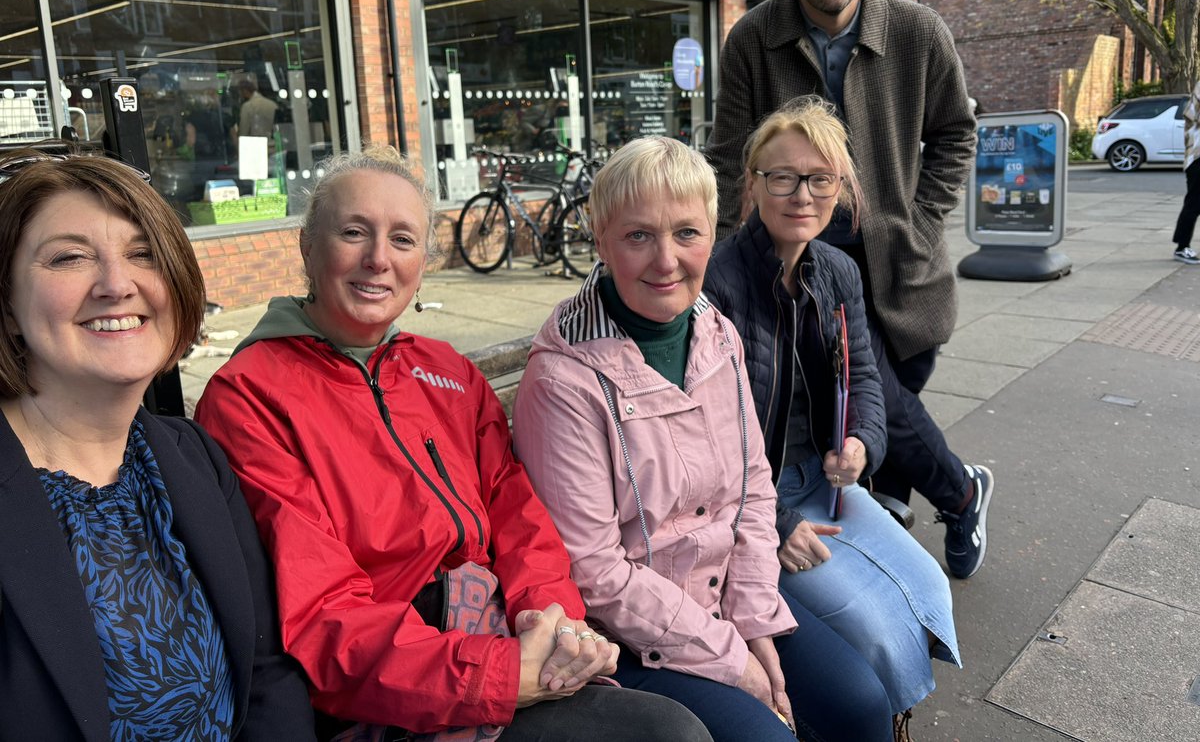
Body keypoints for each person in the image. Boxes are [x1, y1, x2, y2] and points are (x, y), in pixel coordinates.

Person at [194, 148, 710, 742]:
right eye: (354, 232)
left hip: (500, 637)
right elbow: (323, 613)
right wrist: (502, 674)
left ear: (424, 262)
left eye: (404, 239)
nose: (378, 259)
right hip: (394, 691)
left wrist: (555, 622)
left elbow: (518, 516)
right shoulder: (252, 394)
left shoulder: (445, 372)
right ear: (309, 247)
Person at [512, 137, 893, 742]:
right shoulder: (564, 379)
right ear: (601, 239)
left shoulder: (714, 332)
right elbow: (595, 571)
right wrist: (730, 657)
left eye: (687, 233)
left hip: (729, 596)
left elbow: (750, 491)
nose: (667, 260)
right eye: (639, 236)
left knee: (862, 703)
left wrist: (755, 622)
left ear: (712, 236)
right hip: (631, 639)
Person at [705, 0, 994, 579]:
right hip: (796, 266)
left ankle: (942, 501)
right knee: (863, 413)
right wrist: (718, 250)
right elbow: (727, 153)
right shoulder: (751, 39)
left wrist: (917, 220)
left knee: (876, 407)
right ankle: (954, 498)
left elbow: (956, 132)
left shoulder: (917, 31)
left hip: (899, 274)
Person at [0, 147, 314, 740]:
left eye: (143, 254)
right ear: (8, 306)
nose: (118, 285)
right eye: (69, 257)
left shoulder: (191, 454)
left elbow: (265, 670)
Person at [704, 97, 962, 728]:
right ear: (754, 185)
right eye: (783, 177)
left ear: (840, 187)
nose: (802, 194)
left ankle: (887, 719)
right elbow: (703, 439)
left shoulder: (838, 269)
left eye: (821, 179)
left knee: (928, 585)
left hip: (828, 483)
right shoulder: (716, 282)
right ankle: (873, 723)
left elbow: (867, 377)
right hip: (756, 505)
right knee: (871, 629)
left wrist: (863, 444)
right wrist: (777, 520)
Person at [1172, 78, 1200, 264]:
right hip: (1198, 156)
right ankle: (1182, 247)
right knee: (1194, 202)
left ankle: (1182, 246)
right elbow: (1192, 115)